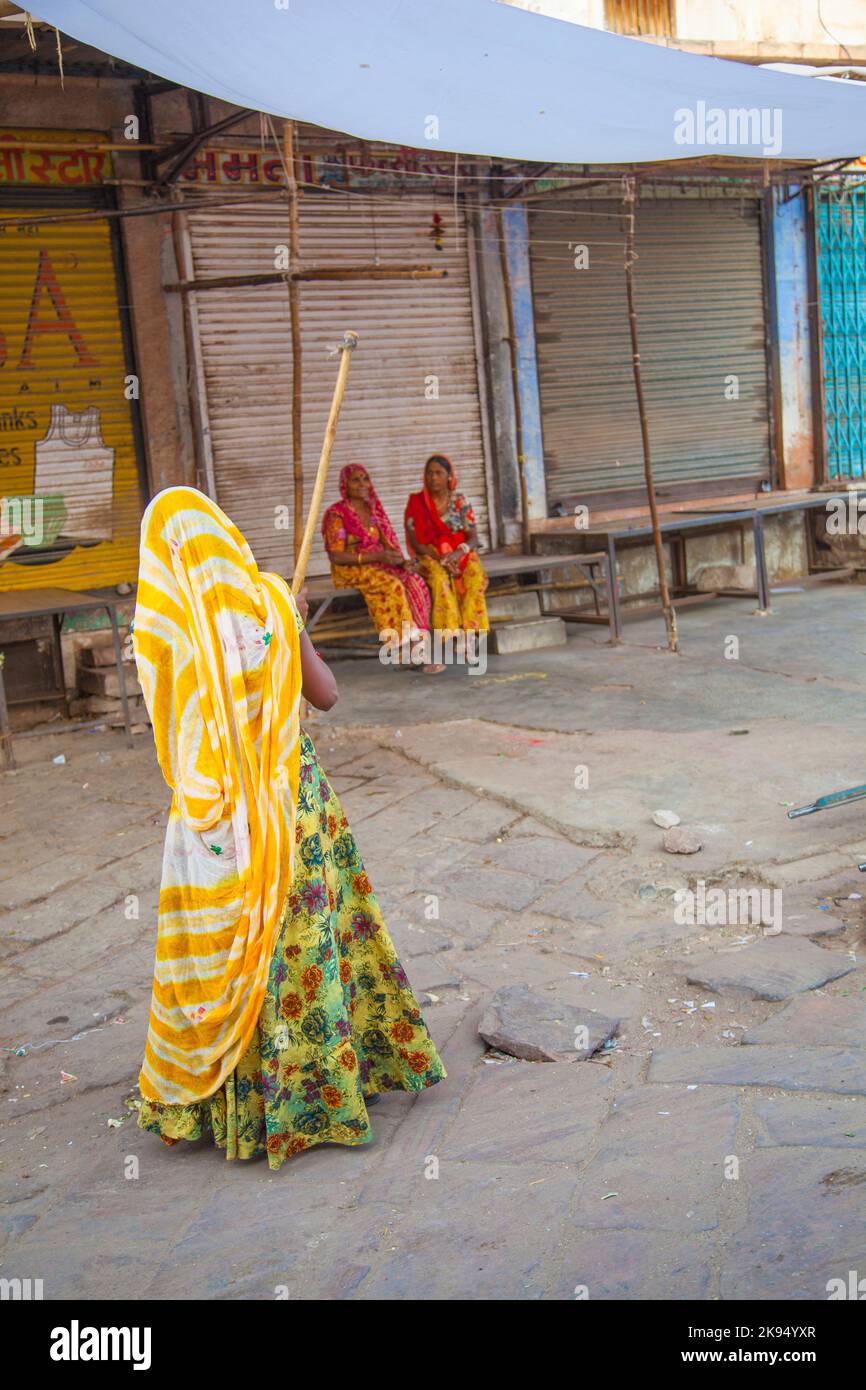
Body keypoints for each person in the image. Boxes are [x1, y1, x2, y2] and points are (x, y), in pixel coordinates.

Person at [133, 486, 445, 1170]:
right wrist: (291, 624)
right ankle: (320, 1089)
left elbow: (174, 728)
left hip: (215, 822)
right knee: (307, 937)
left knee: (224, 947)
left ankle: (217, 1098)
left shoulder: (168, 626)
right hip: (293, 806)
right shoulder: (271, 599)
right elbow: (326, 694)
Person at [322, 464, 441, 670]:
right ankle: (405, 649)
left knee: (415, 582)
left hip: (378, 563)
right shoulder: (337, 514)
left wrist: (402, 562)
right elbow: (336, 555)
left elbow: (389, 543)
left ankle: (418, 646)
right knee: (391, 585)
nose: (362, 484)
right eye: (355, 480)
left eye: (365, 479)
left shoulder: (374, 510)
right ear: (345, 485)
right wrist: (377, 556)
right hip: (349, 568)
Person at [405, 453, 490, 640]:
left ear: (449, 476)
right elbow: (417, 543)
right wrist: (441, 559)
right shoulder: (416, 502)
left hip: (460, 552)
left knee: (474, 577)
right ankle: (450, 634)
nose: (433, 477)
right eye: (430, 473)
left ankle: (472, 632)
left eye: (439, 473)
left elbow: (473, 537)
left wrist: (458, 554)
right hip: (430, 555)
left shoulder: (460, 500)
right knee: (439, 579)